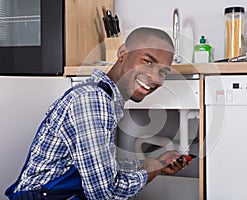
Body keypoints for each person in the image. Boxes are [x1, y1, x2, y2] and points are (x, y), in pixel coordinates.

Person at [5, 27, 191, 200]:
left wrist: (155, 164)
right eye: (148, 62)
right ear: (122, 53)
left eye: (163, 72)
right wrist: (148, 172)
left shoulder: (107, 99)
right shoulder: (92, 100)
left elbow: (102, 167)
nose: (155, 78)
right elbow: (103, 194)